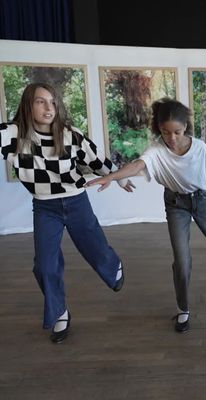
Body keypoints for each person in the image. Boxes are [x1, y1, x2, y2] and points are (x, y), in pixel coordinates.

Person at [86, 98, 206, 333]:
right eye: (166, 132)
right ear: (159, 130)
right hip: (176, 204)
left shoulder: (200, 148)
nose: (172, 138)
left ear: (185, 126)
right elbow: (136, 166)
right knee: (181, 259)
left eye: (176, 132)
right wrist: (112, 176)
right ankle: (183, 308)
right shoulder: (156, 151)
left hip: (203, 198)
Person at [0, 83, 133, 343]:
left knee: (95, 248)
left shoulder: (70, 135)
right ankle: (60, 312)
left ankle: (113, 267)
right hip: (44, 207)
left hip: (76, 201)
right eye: (40, 102)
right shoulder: (13, 134)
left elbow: (97, 159)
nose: (49, 108)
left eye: (52, 102)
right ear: (28, 105)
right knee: (44, 266)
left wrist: (118, 177)